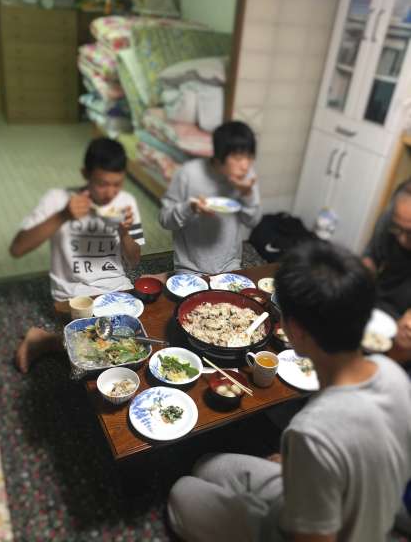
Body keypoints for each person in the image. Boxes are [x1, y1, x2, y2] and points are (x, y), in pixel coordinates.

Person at [168, 241, 411, 542]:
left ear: (294, 330)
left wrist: (307, 465)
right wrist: (299, 467)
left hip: (315, 532)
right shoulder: (394, 375)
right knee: (207, 466)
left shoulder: (311, 432)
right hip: (348, 506)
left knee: (181, 492)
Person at [10, 137, 145, 373]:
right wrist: (62, 216)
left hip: (117, 290)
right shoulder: (58, 200)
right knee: (103, 354)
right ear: (85, 174)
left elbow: (134, 260)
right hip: (75, 295)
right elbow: (18, 248)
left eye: (117, 184)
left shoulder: (126, 203)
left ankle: (50, 340)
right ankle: (45, 340)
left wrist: (125, 234)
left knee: (139, 341)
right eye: (102, 184)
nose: (110, 193)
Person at [159, 120, 261, 275]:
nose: (245, 165)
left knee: (246, 291)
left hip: (230, 265)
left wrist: (247, 194)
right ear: (219, 156)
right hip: (190, 267)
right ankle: (167, 276)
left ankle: (165, 277)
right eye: (238, 158)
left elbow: (252, 221)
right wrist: (190, 208)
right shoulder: (188, 174)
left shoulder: (247, 177)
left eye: (249, 157)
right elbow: (164, 220)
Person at [363, 178, 411, 349]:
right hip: (377, 305)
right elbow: (371, 258)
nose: (402, 239)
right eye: (397, 229)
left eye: (410, 233)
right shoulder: (392, 218)